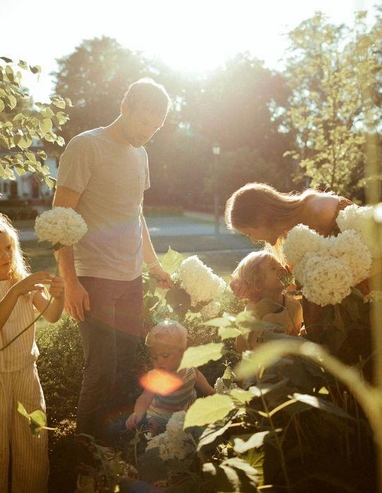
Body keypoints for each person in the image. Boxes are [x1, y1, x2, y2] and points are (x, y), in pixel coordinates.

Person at [53, 77, 174, 442]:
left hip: (130, 279)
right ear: (124, 107)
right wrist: (71, 282)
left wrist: (153, 266)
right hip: (94, 278)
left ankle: (114, 445)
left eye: (155, 126)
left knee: (122, 368)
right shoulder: (86, 147)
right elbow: (61, 220)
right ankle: (85, 452)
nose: (148, 131)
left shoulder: (141, 154)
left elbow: (135, 214)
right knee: (101, 369)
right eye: (143, 121)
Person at [224, 182, 372, 372]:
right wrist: (247, 285)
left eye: (249, 233)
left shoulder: (324, 211)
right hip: (328, 335)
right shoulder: (284, 239)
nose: (253, 240)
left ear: (262, 217)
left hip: (362, 318)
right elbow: (288, 286)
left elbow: (372, 252)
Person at [0, 209, 64, 493]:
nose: (5, 256)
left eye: (9, 248)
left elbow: (53, 315)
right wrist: (17, 290)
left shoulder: (23, 282)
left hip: (26, 377)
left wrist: (60, 294)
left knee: (32, 446)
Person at [126, 320, 215, 435]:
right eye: (154, 358)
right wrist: (137, 414)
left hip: (183, 414)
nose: (159, 361)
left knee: (197, 431)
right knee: (152, 425)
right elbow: (145, 398)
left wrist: (212, 392)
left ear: (182, 352)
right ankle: (153, 432)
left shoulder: (191, 370)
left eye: (165, 356)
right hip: (160, 415)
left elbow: (205, 386)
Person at [230, 250, 303, 351]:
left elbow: (294, 338)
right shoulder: (253, 310)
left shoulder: (294, 307)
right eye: (273, 268)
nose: (281, 268)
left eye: (280, 265)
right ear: (258, 283)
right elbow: (241, 346)